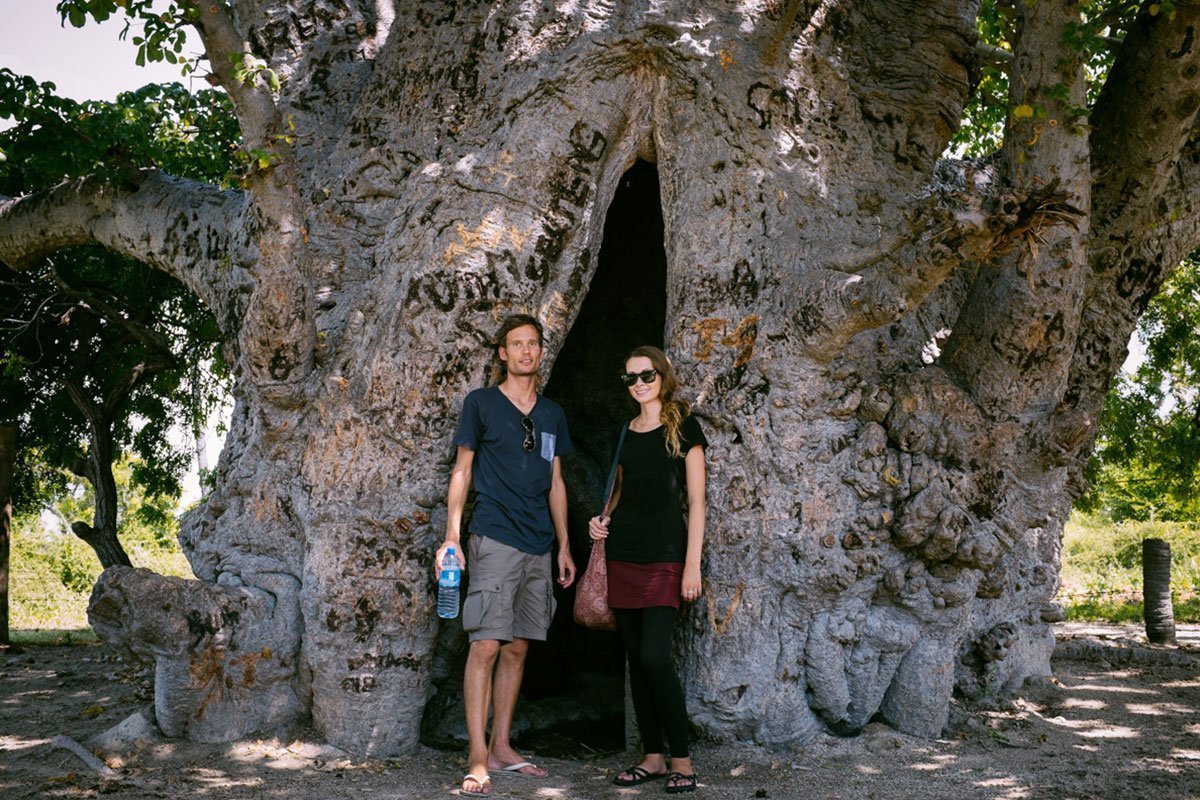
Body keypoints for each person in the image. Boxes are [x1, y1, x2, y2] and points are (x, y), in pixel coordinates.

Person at [436, 313, 577, 799]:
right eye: (515, 345)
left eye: (532, 345)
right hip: (494, 535)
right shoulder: (481, 404)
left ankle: (501, 746)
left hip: (540, 542)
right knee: (486, 645)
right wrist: (452, 537)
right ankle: (477, 757)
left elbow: (557, 482)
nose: (525, 352)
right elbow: (462, 471)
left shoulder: (552, 414)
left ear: (541, 352)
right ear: (502, 353)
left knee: (518, 646)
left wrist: (563, 543)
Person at [588, 345, 707, 794]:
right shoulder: (626, 431)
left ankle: (683, 760)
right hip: (622, 555)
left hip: (665, 558)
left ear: (663, 376)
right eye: (631, 377)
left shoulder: (683, 428)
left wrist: (691, 564)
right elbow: (618, 495)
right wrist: (600, 521)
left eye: (647, 374)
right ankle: (653, 757)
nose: (639, 383)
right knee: (637, 661)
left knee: (656, 656)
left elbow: (696, 503)